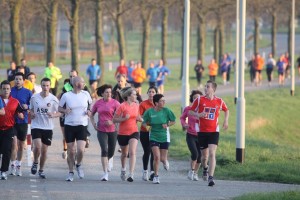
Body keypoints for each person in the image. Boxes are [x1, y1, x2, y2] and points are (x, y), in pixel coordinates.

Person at [189, 80, 229, 186]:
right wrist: (198, 114)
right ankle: (205, 168)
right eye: (205, 86)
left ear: (213, 89)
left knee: (212, 153)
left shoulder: (219, 101)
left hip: (214, 131)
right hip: (202, 131)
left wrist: (226, 121)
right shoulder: (199, 100)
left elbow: (226, 110)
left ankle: (211, 177)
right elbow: (190, 111)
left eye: (208, 87)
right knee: (204, 157)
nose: (205, 88)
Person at [58, 76, 92, 182]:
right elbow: (59, 108)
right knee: (71, 151)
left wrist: (89, 111)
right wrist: (65, 110)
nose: (84, 84)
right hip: (69, 125)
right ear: (76, 83)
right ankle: (70, 171)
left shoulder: (86, 94)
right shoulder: (66, 96)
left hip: (82, 125)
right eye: (82, 82)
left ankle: (79, 164)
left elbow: (90, 104)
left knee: (81, 150)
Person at [29, 78, 60, 179]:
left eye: (47, 86)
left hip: (48, 127)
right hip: (36, 125)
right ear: (41, 86)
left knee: (44, 150)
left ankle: (41, 170)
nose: (45, 88)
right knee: (37, 146)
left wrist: (54, 115)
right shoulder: (34, 97)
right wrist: (31, 113)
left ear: (50, 86)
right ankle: (35, 162)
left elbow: (60, 112)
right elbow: (30, 109)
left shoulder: (53, 99)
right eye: (43, 85)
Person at [142, 94, 176, 184]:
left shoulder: (167, 111)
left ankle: (165, 161)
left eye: (164, 100)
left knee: (162, 158)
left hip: (164, 136)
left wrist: (167, 124)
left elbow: (173, 121)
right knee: (156, 157)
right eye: (162, 101)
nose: (164, 102)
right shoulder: (149, 112)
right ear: (156, 103)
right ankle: (156, 176)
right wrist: (146, 127)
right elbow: (143, 121)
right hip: (153, 136)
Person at [112, 87, 143, 182]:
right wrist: (124, 119)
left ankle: (131, 174)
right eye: (134, 94)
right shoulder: (122, 106)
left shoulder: (137, 105)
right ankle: (123, 169)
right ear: (129, 96)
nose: (136, 96)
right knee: (124, 154)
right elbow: (114, 119)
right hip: (122, 133)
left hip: (134, 131)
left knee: (132, 152)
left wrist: (140, 119)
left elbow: (137, 116)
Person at [90, 84, 120, 181]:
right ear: (102, 93)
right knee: (104, 150)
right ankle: (105, 173)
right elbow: (91, 114)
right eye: (106, 92)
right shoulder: (98, 103)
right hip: (101, 130)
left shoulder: (115, 103)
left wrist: (112, 122)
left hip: (113, 130)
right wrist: (94, 123)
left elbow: (121, 116)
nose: (109, 94)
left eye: (110, 92)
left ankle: (110, 159)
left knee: (111, 151)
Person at [0, 80, 24, 180]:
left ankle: (3, 171)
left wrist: (21, 115)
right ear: (1, 89)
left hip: (9, 129)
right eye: (4, 88)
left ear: (10, 90)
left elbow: (21, 113)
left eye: (8, 89)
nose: (6, 90)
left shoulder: (15, 101)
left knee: (7, 150)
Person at [10, 72, 33, 176]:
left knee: (20, 144)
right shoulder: (10, 91)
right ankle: (12, 165)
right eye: (16, 79)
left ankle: (19, 164)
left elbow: (32, 105)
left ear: (24, 81)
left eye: (19, 79)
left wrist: (27, 107)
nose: (17, 81)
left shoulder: (28, 92)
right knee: (13, 144)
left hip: (23, 121)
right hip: (12, 121)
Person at [180, 90, 203, 181]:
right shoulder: (188, 109)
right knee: (195, 153)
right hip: (190, 135)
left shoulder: (204, 110)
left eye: (198, 98)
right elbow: (182, 118)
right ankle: (191, 170)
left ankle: (195, 173)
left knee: (200, 157)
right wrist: (184, 124)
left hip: (201, 135)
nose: (196, 100)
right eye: (194, 98)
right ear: (192, 99)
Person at [139, 86, 157, 181]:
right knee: (147, 151)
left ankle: (152, 172)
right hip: (144, 131)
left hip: (155, 131)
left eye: (153, 92)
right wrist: (146, 120)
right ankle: (145, 171)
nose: (151, 93)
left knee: (154, 151)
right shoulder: (143, 104)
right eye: (149, 91)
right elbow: (139, 116)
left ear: (156, 94)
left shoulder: (158, 105)